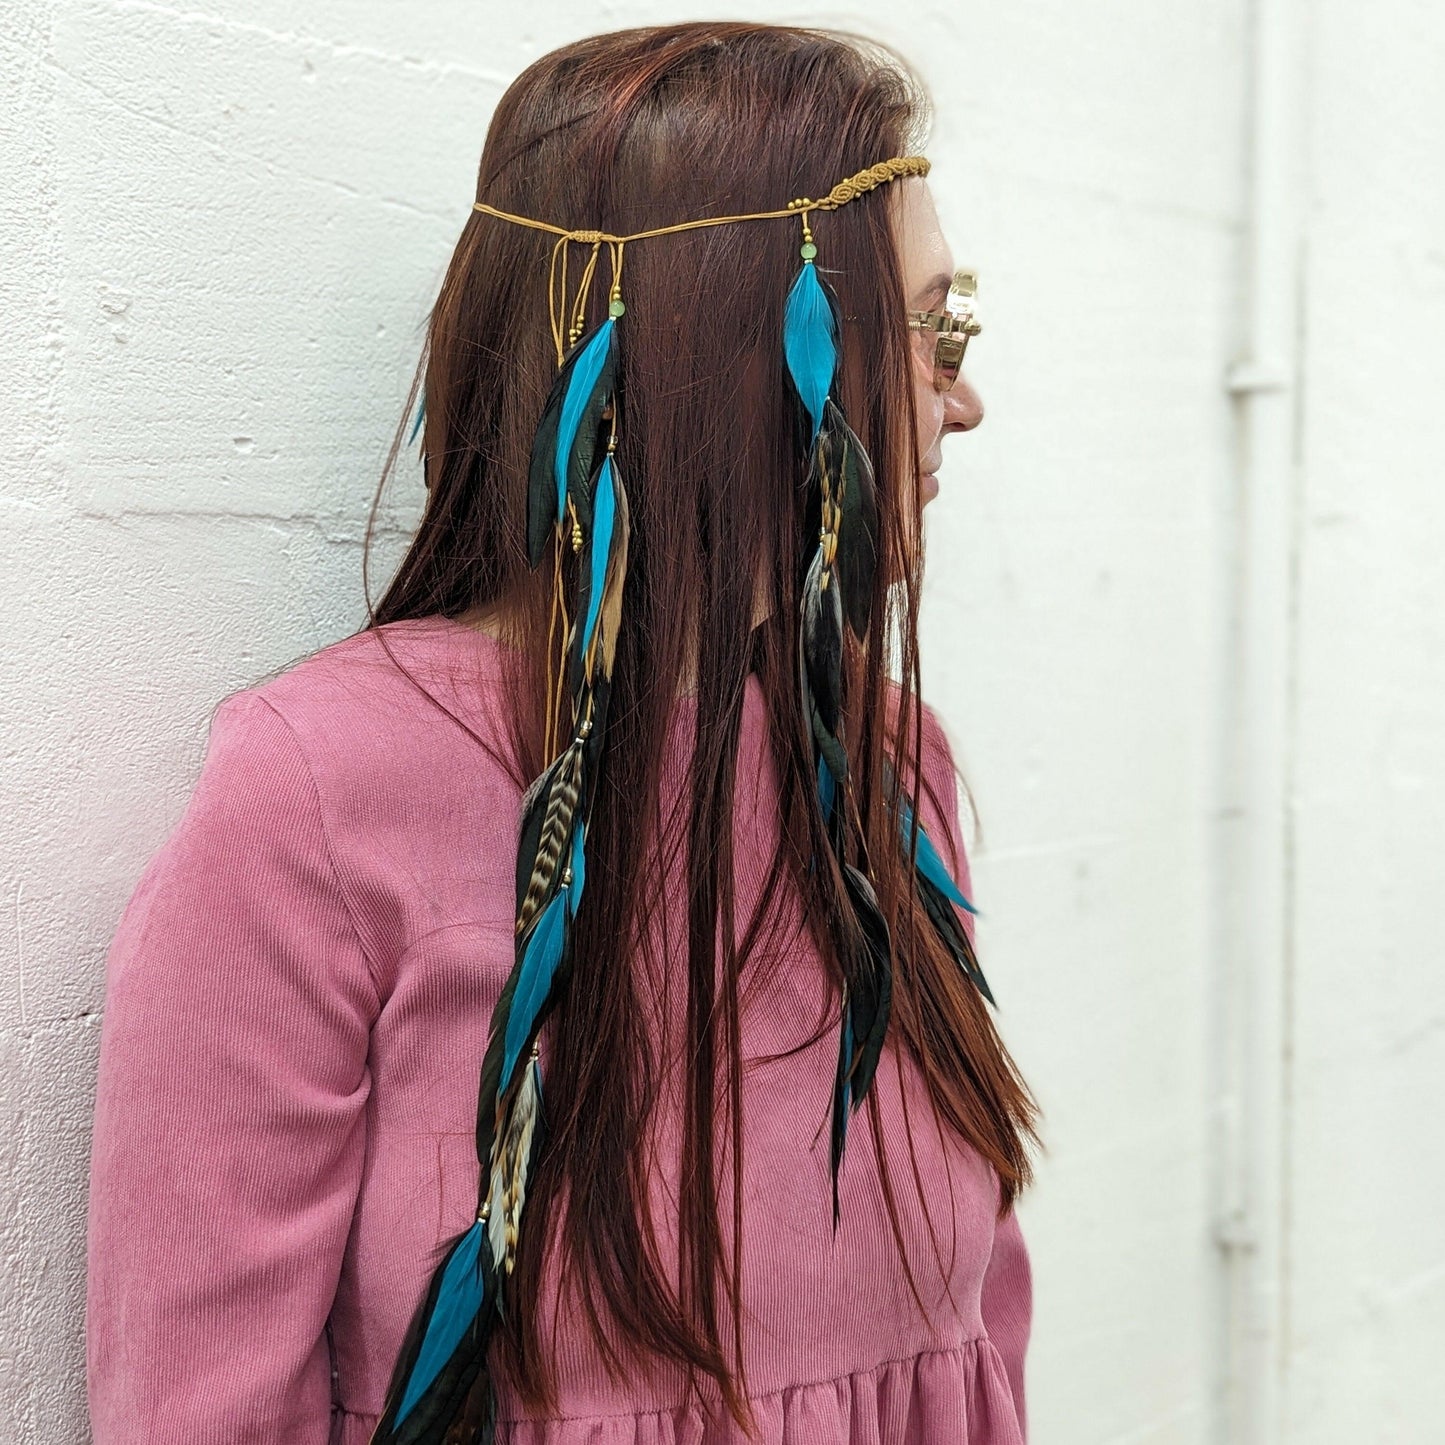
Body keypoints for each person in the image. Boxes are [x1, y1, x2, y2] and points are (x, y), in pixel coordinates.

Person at [85, 22, 1041, 1445]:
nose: (961, 397)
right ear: (736, 347)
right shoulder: (327, 793)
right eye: (923, 325)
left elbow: (975, 1350)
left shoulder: (890, 765)